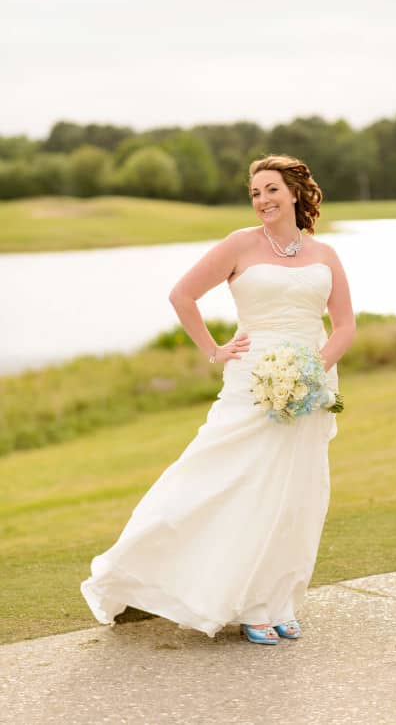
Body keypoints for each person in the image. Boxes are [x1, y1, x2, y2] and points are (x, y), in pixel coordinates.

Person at [81, 154, 355, 646]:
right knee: (230, 482)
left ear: (295, 192)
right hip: (253, 381)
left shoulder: (326, 254)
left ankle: (278, 601)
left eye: (271, 189)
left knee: (297, 494)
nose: (262, 200)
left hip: (312, 387)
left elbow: (346, 326)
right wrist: (215, 350)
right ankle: (238, 601)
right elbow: (182, 296)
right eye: (254, 193)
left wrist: (316, 368)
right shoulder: (239, 245)